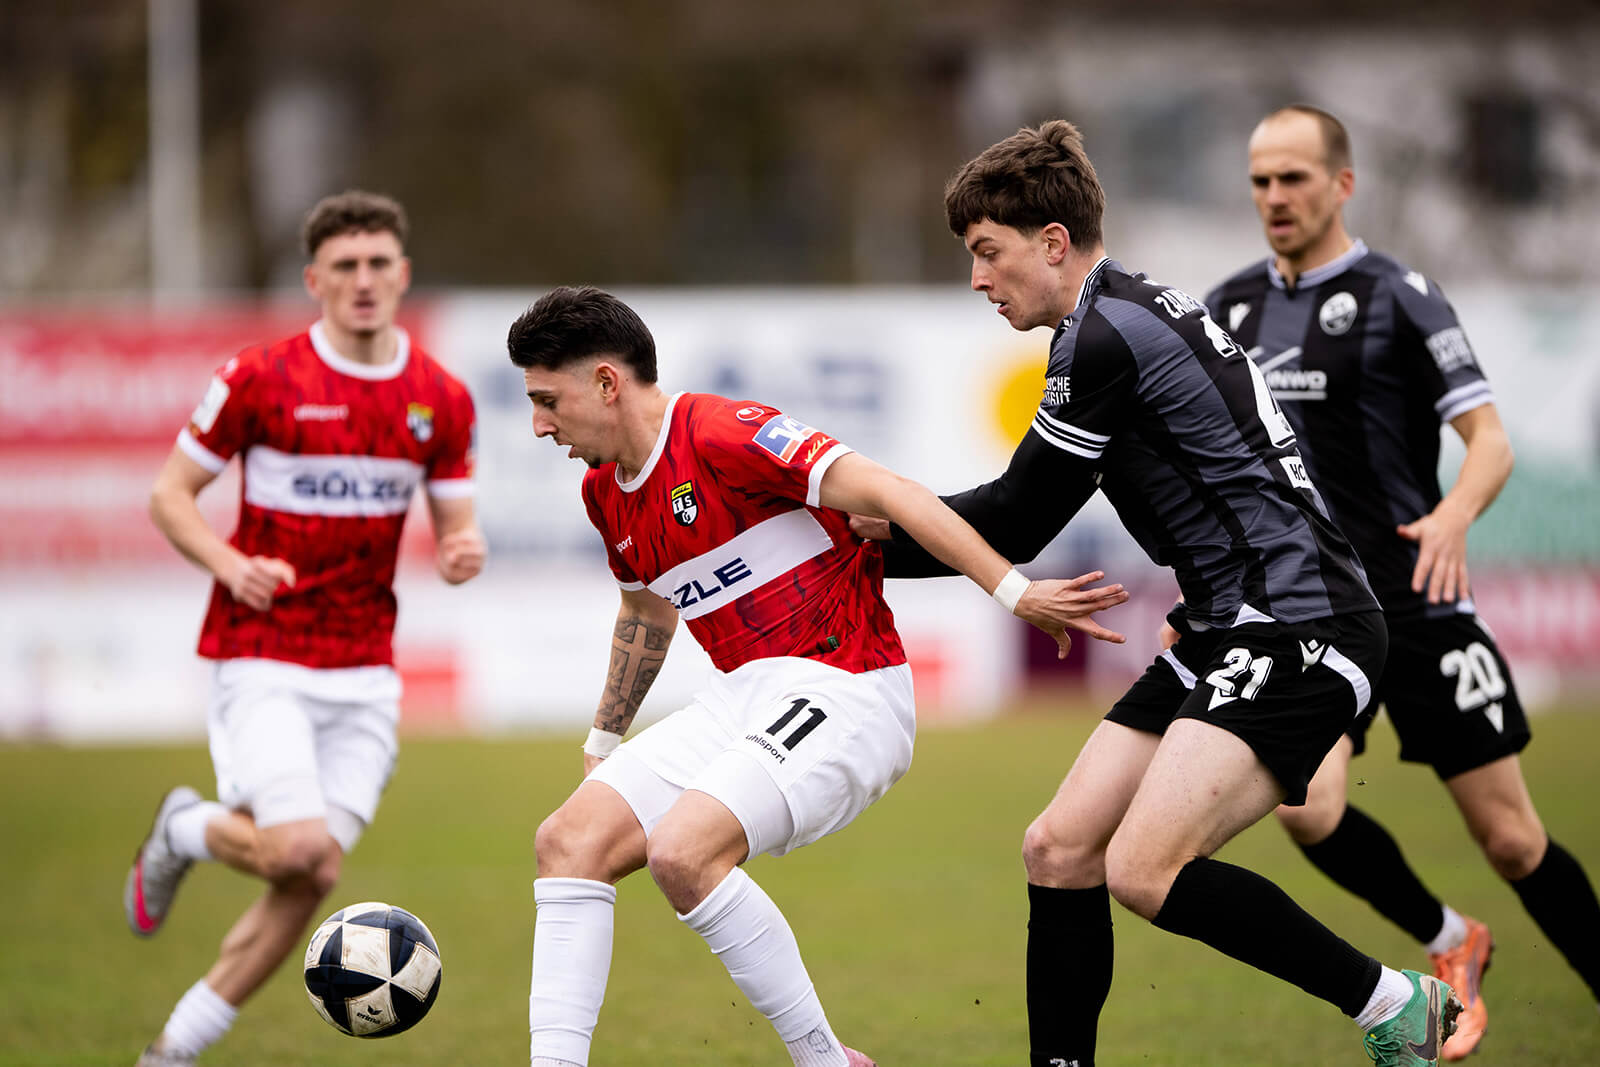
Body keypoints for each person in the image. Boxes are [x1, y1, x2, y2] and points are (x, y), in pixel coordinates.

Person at [857, 119, 1462, 1067]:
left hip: (1300, 620)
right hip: (1231, 623)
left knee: (1144, 868)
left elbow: (1014, 517)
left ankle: (1394, 1002)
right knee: (1059, 848)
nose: (977, 279)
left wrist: (841, 550)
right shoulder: (1121, 312)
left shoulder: (1101, 337)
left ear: (1052, 243)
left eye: (987, 253)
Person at [507, 285, 1127, 1067]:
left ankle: (822, 1060)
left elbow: (893, 493)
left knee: (682, 852)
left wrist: (1014, 590)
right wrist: (605, 734)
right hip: (740, 695)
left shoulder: (723, 432)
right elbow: (645, 609)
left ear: (605, 382)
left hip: (847, 682)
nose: (537, 424)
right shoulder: (606, 493)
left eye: (546, 400)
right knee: (567, 840)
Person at [1202, 103, 1600, 1060]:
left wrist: (1455, 514)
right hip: (1315, 615)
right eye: (1260, 180)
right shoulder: (1230, 309)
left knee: (1510, 840)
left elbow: (1489, 443)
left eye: (1293, 177)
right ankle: (1450, 939)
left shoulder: (1400, 296)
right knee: (1307, 807)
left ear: (1342, 183)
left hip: (1418, 602)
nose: (1274, 197)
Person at [125, 190, 487, 1066]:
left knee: (309, 873)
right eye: (345, 266)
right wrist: (228, 563)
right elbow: (170, 495)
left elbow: (455, 525)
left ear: (402, 275)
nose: (363, 281)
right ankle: (182, 830)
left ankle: (172, 1048)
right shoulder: (260, 378)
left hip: (366, 670)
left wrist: (462, 548)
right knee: (297, 848)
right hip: (265, 654)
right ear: (314, 279)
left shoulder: (439, 397)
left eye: (378, 265)